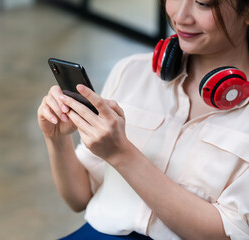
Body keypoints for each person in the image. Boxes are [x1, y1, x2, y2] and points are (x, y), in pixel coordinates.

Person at [37, 0, 249, 239]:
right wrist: (56, 139)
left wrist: (122, 154)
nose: (181, 16)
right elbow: (80, 198)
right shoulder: (132, 72)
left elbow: (229, 234)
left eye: (203, 3)